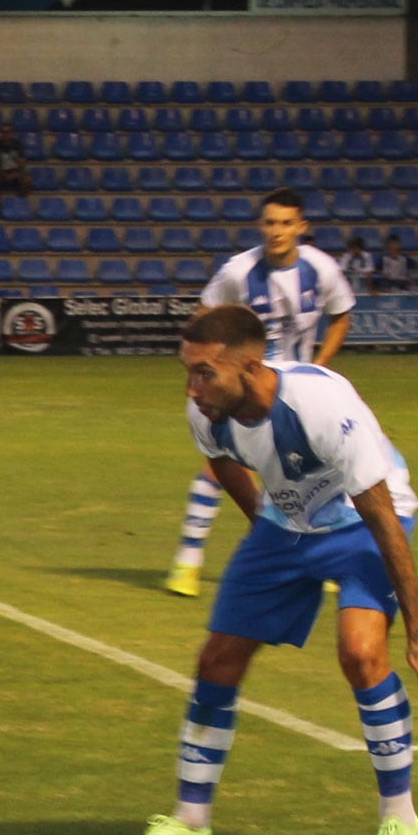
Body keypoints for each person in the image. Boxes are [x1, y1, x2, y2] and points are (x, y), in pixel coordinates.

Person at [114, 304, 418, 835]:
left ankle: (400, 820)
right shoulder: (207, 412)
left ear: (250, 366)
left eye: (205, 373)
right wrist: (264, 533)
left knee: (362, 653)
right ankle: (191, 822)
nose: (193, 388)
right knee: (217, 658)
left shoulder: (321, 408)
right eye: (187, 372)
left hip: (364, 524)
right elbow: (224, 462)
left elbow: (384, 517)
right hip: (286, 529)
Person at [167, 188, 354, 598]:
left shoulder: (321, 269)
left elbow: (341, 315)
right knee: (219, 465)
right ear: (261, 225)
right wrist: (198, 374)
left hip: (294, 394)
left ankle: (315, 558)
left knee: (311, 474)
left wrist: (321, 365)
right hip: (242, 386)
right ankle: (188, 560)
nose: (277, 231)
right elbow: (203, 315)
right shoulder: (238, 271)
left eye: (286, 223)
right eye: (270, 222)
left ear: (302, 227)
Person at [0, 124, 30, 206]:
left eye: (8, 131)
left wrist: (16, 174)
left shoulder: (18, 144)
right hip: (1, 173)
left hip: (16, 173)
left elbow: (23, 163)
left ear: (12, 133)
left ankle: (20, 202)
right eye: (3, 132)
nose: (6, 134)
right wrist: (4, 174)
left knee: (27, 180)